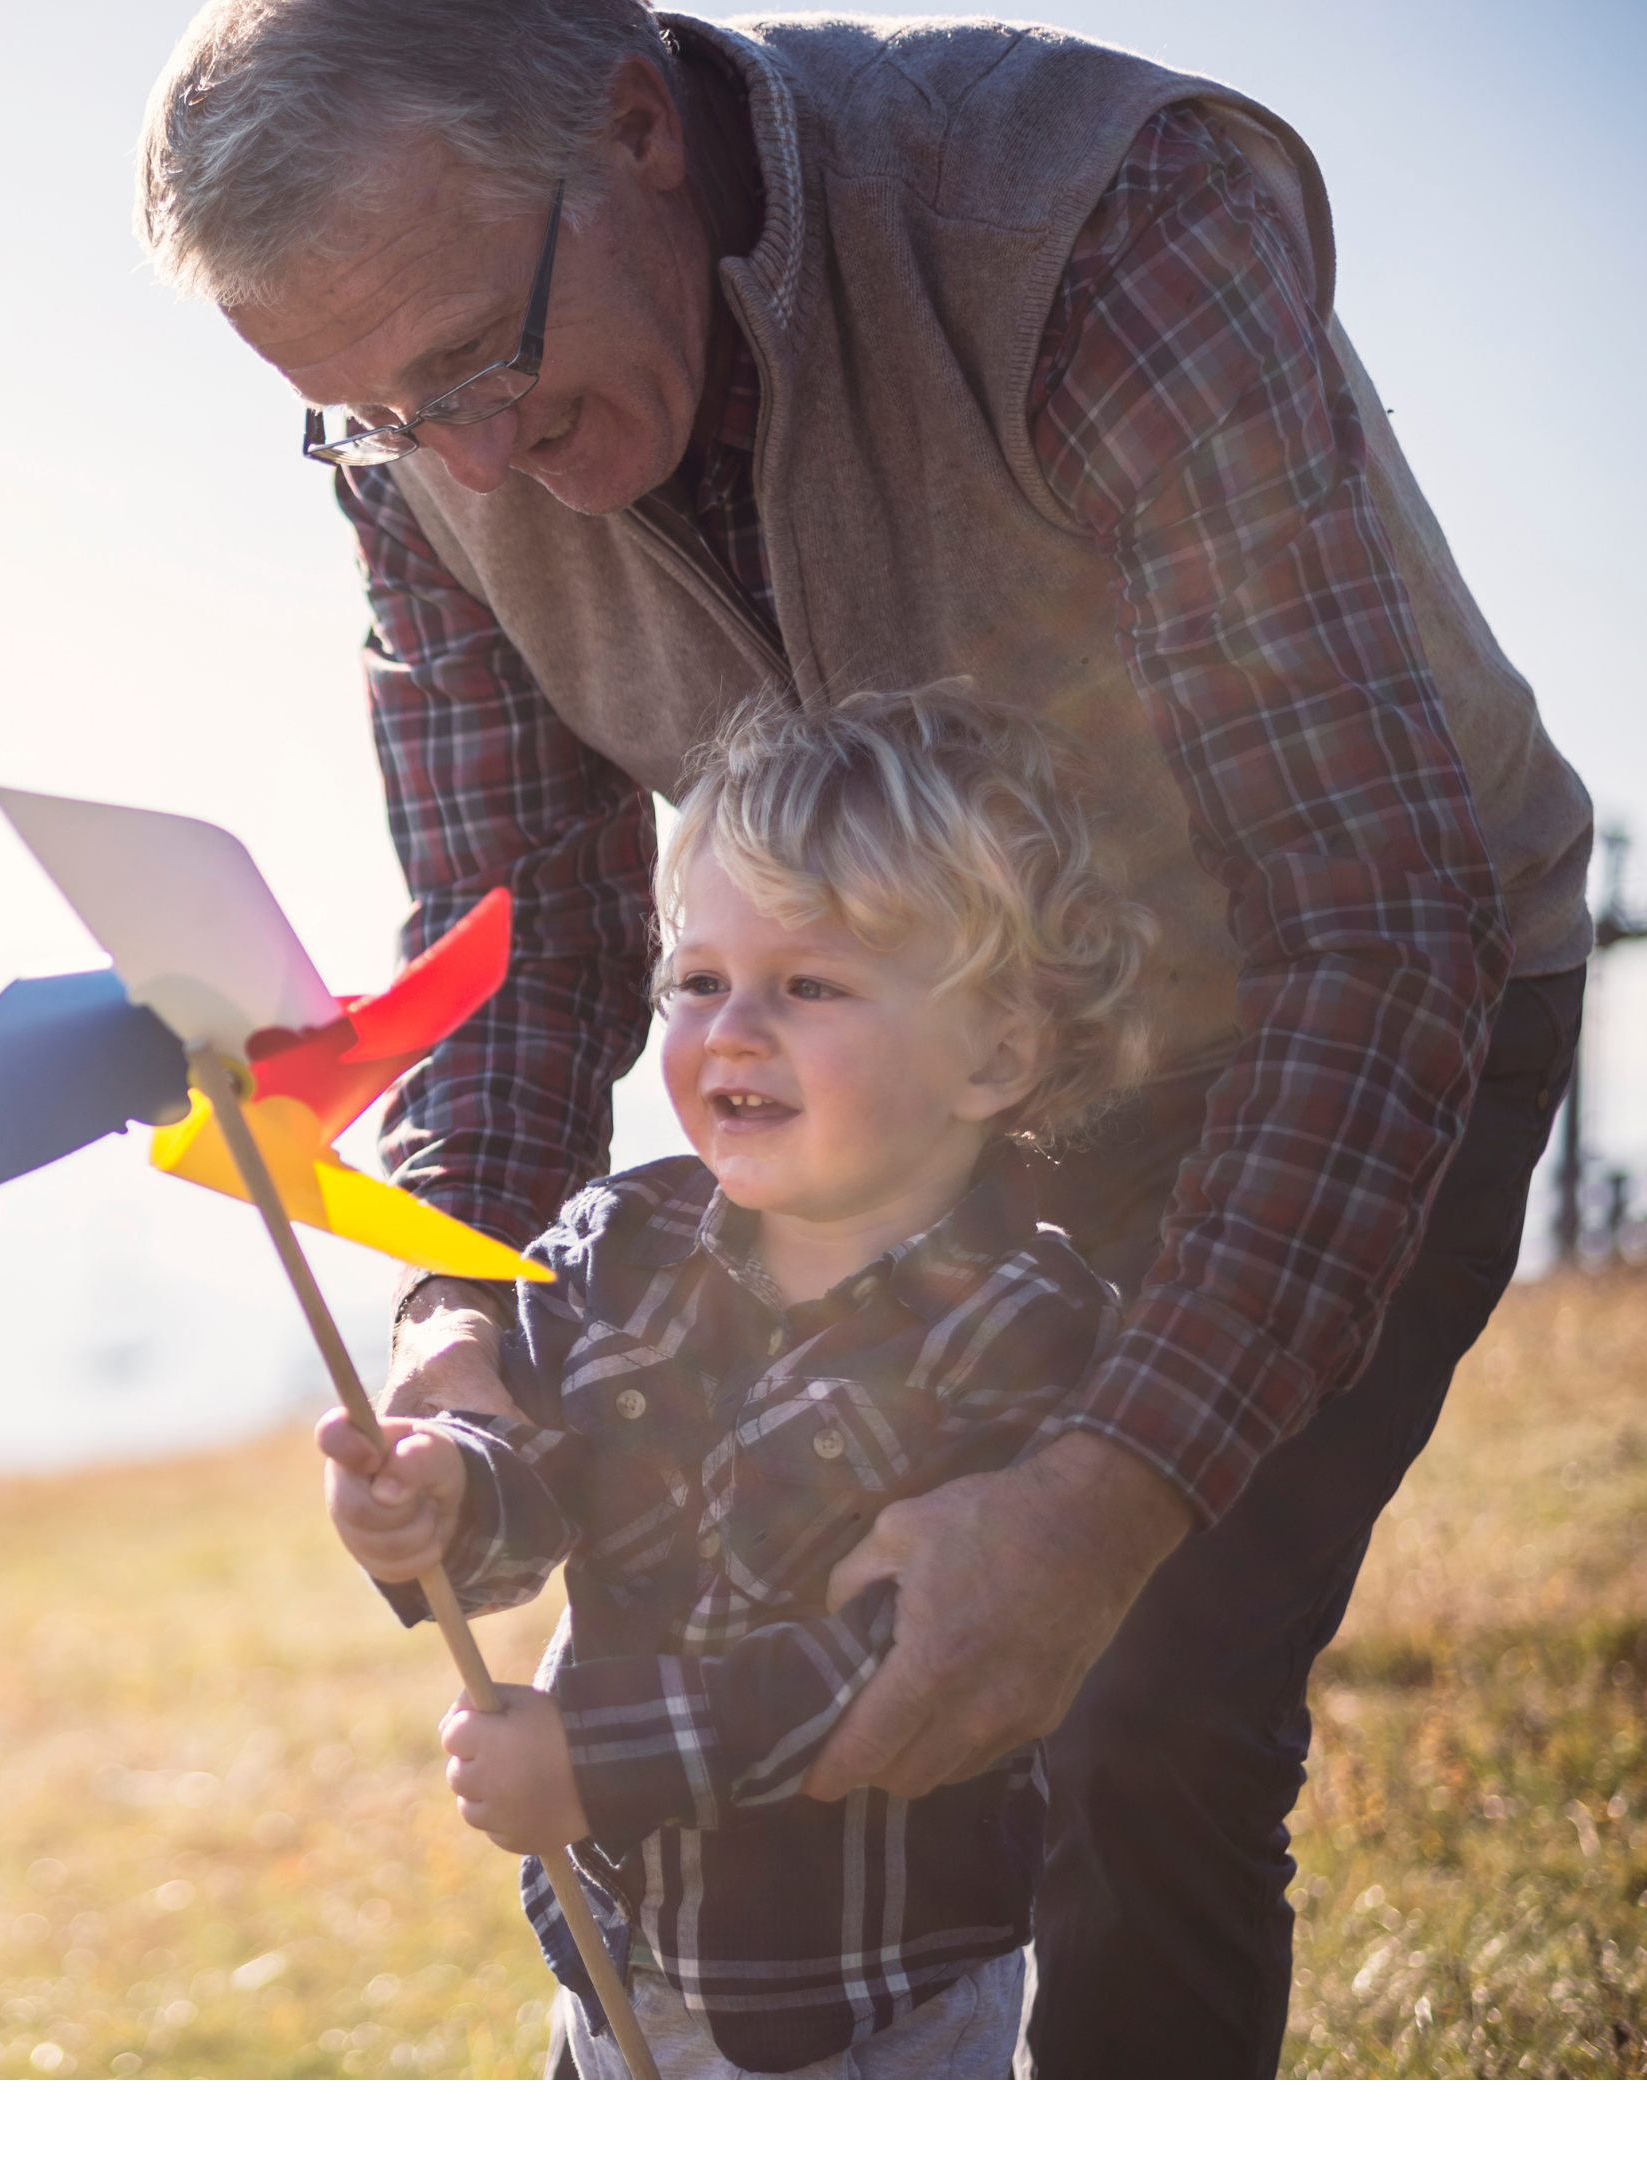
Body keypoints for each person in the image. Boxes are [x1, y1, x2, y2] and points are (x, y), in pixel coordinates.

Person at [135, 4, 1593, 2074]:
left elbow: (1371, 913)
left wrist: (1106, 1497)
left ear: (637, 125)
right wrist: (452, 1317)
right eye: (368, 417)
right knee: (762, 1655)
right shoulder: (433, 439)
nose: (461, 461)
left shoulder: (1096, 223)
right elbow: (521, 949)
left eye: (473, 366)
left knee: (1137, 1707)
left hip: (1321, 1004)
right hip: (875, 1096)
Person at [320, 685, 1154, 2077]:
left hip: (867, 2008)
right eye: (699, 981)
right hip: (613, 1965)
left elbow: (900, 1661)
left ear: (995, 1049)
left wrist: (594, 1761)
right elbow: (550, 1482)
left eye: (810, 984)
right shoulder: (617, 1247)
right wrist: (441, 1500)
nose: (735, 1033)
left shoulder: (1024, 1325)